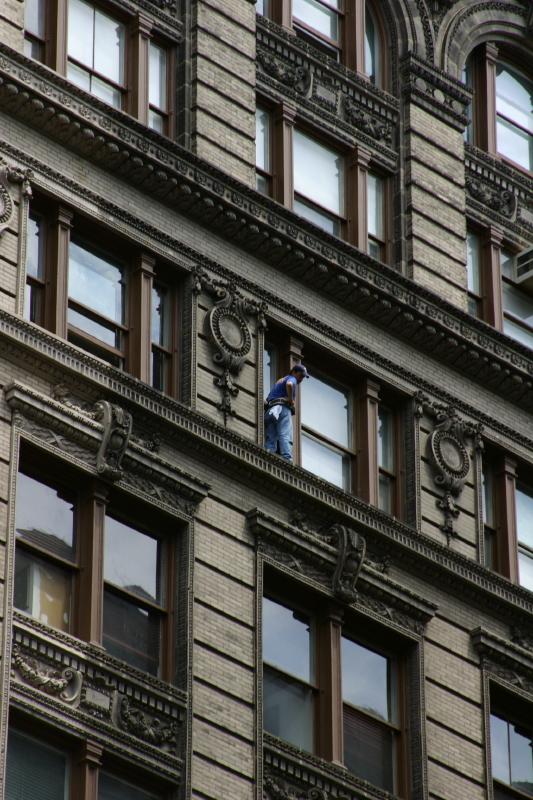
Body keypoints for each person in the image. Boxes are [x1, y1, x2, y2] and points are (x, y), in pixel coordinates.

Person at [264, 364, 309, 462]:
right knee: (285, 434)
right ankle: (287, 460)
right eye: (301, 376)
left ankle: (268, 457)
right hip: (283, 409)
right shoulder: (291, 378)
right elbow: (289, 384)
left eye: (303, 377)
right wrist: (290, 399)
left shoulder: (280, 381)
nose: (301, 379)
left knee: (271, 436)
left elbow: (268, 399)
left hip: (271, 410)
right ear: (294, 372)